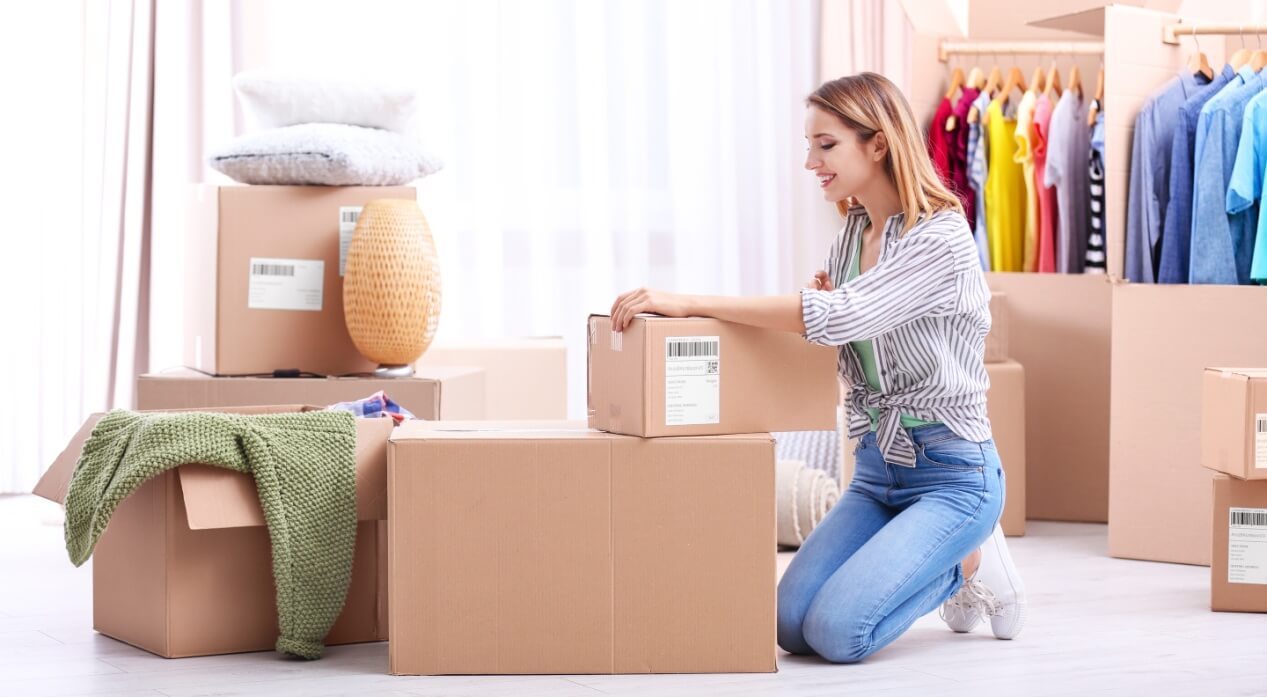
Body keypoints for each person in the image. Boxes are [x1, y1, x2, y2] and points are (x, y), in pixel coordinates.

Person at [609, 72, 1025, 664]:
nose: (811, 162)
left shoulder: (943, 236)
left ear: (878, 144)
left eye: (825, 145)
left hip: (953, 476)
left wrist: (688, 301)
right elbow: (841, 328)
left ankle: (968, 561)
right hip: (878, 471)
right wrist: (827, 315)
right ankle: (934, 554)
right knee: (789, 625)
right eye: (809, 146)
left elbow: (841, 314)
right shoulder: (855, 232)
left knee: (838, 634)